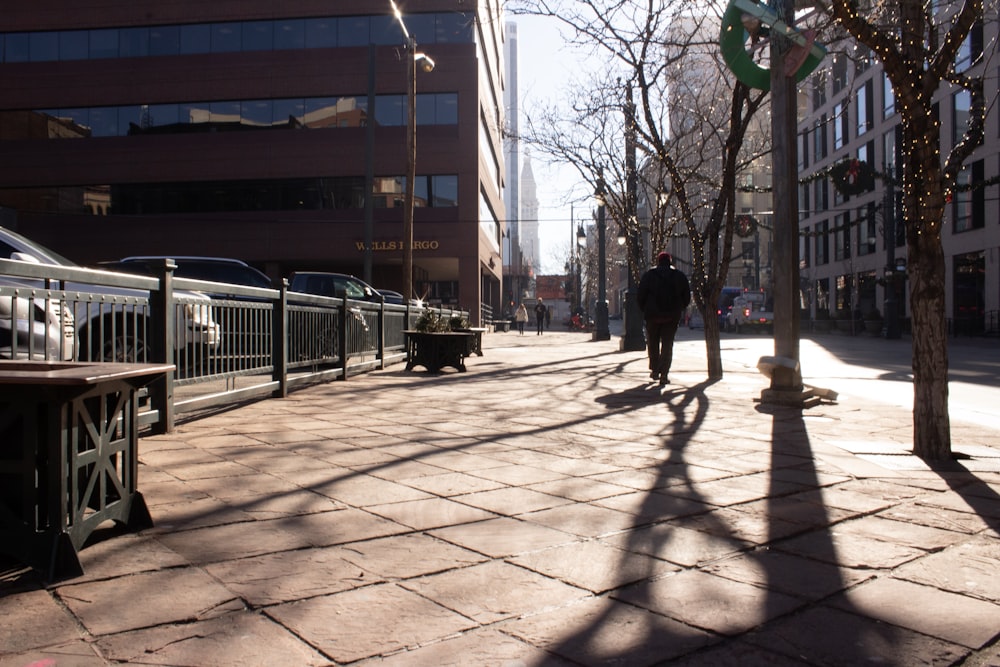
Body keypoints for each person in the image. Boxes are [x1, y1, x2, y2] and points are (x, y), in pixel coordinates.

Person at [637, 251, 691, 386]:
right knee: (667, 345)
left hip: (653, 316)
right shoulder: (679, 276)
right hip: (671, 316)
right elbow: (687, 296)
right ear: (670, 261)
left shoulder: (649, 275)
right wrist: (679, 308)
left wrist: (646, 310)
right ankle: (664, 374)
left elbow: (640, 295)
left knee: (653, 343)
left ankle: (655, 369)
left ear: (658, 261)